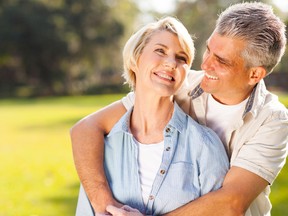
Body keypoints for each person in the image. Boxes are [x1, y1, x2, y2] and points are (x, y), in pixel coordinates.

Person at [71, 2, 288, 216]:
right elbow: (87, 127)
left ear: (255, 75)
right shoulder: (181, 84)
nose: (205, 66)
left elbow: (231, 203)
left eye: (221, 61)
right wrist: (104, 204)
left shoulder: (272, 121)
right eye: (208, 50)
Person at [75, 17, 229, 215]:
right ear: (135, 59)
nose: (171, 63)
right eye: (160, 51)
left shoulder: (205, 146)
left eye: (182, 58)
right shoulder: (100, 148)